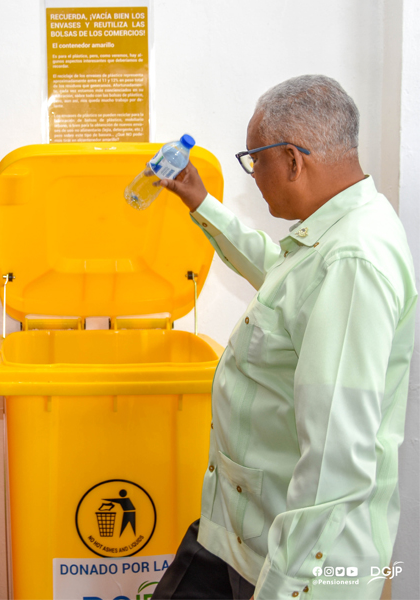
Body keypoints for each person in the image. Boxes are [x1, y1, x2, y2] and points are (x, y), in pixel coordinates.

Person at [151, 75, 417, 600]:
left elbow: (335, 463)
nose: (253, 176)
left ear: (293, 160)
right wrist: (202, 204)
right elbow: (282, 281)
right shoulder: (335, 235)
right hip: (239, 527)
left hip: (293, 563)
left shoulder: (352, 262)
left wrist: (284, 587)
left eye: (255, 159)